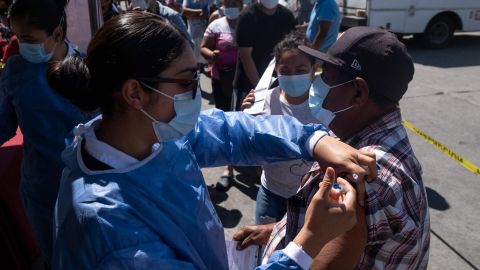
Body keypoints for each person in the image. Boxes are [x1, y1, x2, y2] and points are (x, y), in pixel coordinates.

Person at [47, 12, 377, 269]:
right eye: (188, 81)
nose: (196, 94)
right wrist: (307, 243)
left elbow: (233, 131)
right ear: (135, 93)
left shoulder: (154, 134)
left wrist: (314, 140)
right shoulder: (108, 226)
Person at [234, 26, 430, 270]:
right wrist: (277, 231)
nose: (317, 85)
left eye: (326, 77)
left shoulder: (357, 177)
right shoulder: (381, 140)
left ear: (358, 92)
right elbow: (323, 230)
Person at [0, 0, 88, 265]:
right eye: (16, 35)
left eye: (27, 38)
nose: (21, 44)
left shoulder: (87, 71)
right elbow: (3, 125)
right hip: (41, 188)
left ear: (57, 34)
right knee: (54, 256)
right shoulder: (16, 71)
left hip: (88, 185)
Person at [240, 31, 322, 224]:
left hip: (311, 196)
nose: (293, 76)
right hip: (271, 192)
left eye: (301, 69)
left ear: (314, 69)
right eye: (285, 71)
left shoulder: (325, 104)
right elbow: (248, 142)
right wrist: (245, 115)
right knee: (265, 246)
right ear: (276, 70)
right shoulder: (263, 101)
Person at [200, 0, 242, 190]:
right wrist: (212, 55)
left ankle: (257, 163)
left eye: (236, 2)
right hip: (221, 80)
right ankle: (228, 167)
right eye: (229, 2)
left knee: (247, 118)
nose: (232, 5)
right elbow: (203, 48)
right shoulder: (216, 25)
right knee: (225, 120)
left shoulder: (249, 22)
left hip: (245, 81)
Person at [232, 0, 296, 111]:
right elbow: (246, 57)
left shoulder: (287, 16)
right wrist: (261, 89)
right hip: (249, 86)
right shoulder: (247, 17)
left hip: (279, 85)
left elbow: (291, 50)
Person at [182, 0, 211, 70]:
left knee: (203, 48)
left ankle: (204, 65)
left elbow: (206, 14)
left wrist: (191, 14)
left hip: (204, 30)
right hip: (192, 31)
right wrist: (199, 11)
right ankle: (196, 67)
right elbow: (184, 10)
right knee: (193, 50)